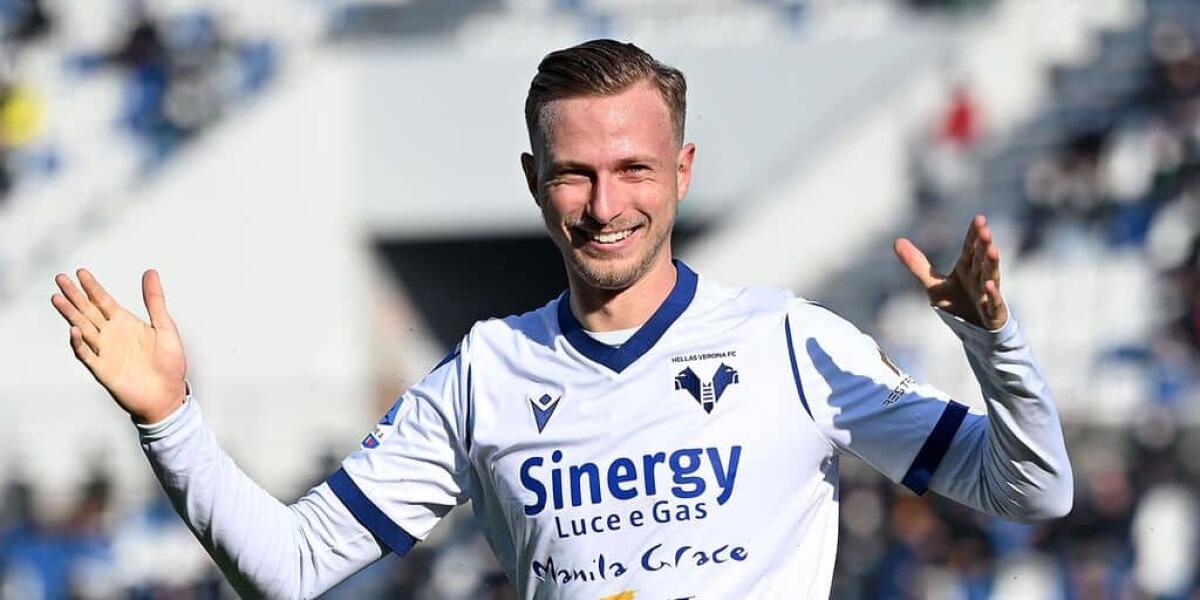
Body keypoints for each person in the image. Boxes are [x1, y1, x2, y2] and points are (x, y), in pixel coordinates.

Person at [49, 39, 1072, 598]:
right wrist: (171, 418)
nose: (605, 201)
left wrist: (995, 344)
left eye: (633, 167)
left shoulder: (791, 343)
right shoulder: (484, 374)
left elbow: (1034, 490)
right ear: (534, 184)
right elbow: (292, 568)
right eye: (575, 173)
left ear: (682, 173)